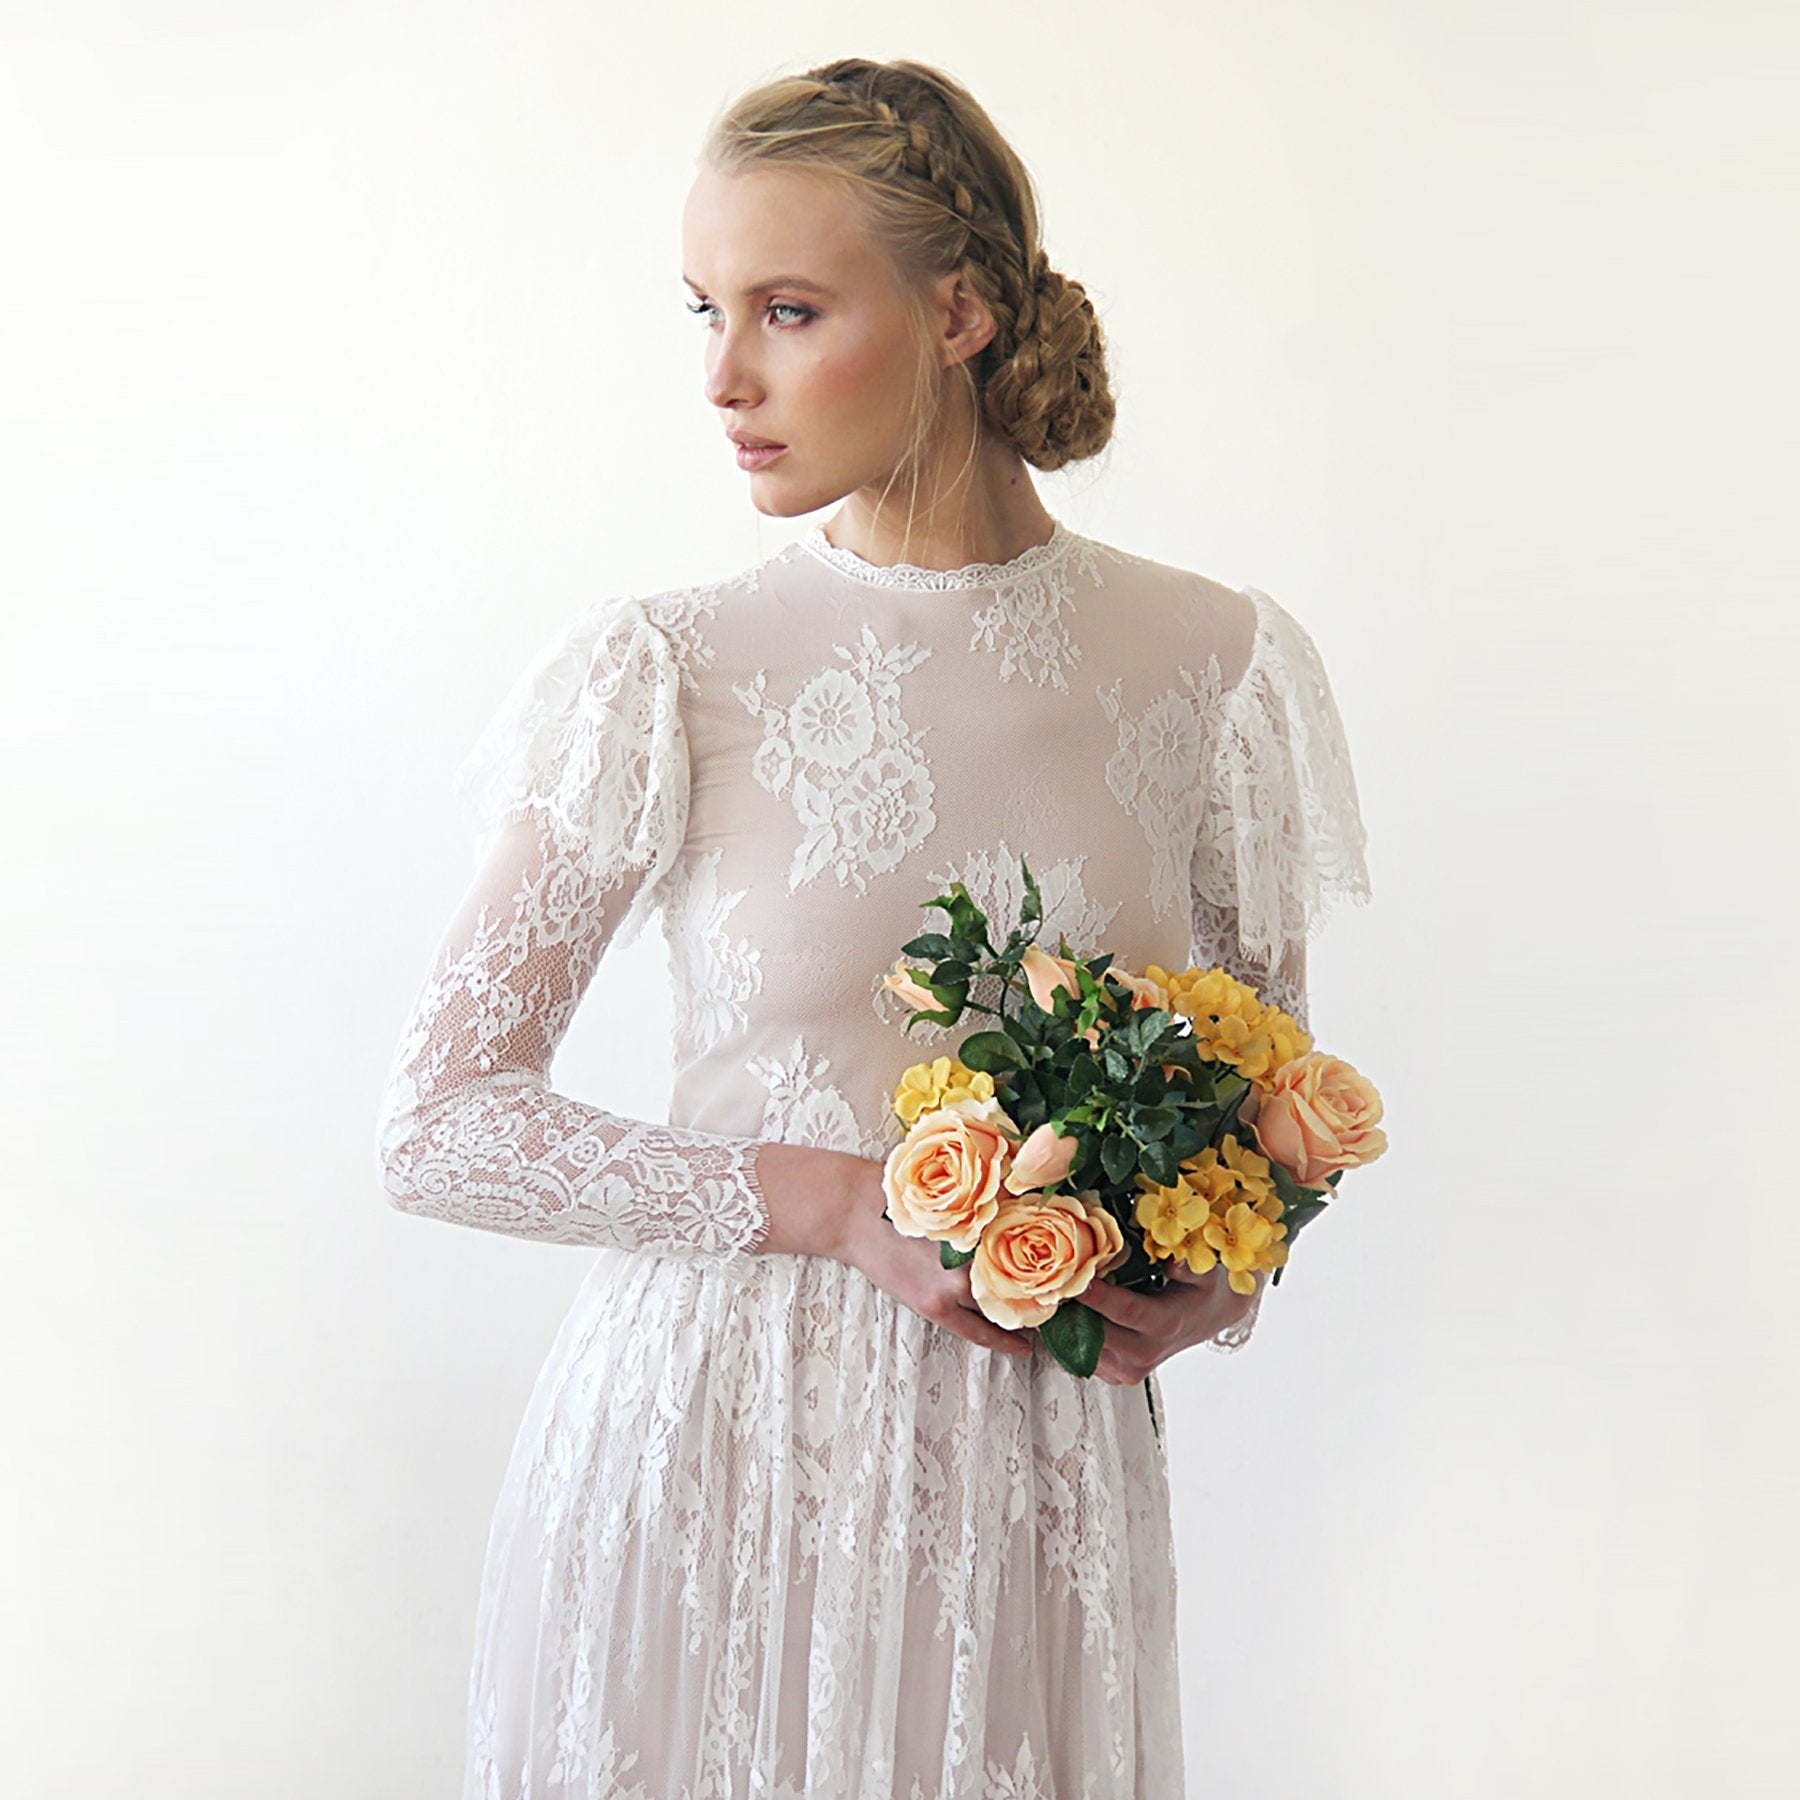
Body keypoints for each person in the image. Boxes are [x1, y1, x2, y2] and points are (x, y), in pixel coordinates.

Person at [374, 54, 1373, 1800]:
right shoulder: (665, 668)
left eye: (786, 310)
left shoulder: (1216, 669)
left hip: (1034, 1488)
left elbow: (1264, 1110)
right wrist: (832, 1201)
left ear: (960, 311)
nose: (724, 377)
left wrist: (1221, 1277)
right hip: (709, 1458)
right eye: (705, 312)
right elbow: (439, 1119)